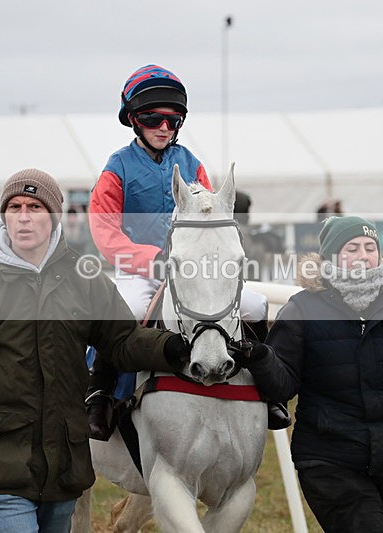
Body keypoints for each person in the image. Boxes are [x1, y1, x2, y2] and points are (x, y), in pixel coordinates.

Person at [0, 168, 193, 529]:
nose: (23, 217)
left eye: (34, 207)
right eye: (14, 207)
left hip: (62, 469)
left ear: (53, 217)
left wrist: (172, 348)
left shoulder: (85, 280)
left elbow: (123, 341)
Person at [233, 216, 383, 532]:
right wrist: (263, 357)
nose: (363, 255)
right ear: (332, 257)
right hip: (328, 459)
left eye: (370, 247)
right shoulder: (301, 310)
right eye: (352, 248)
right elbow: (281, 387)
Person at [87, 64, 279, 437]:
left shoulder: (193, 164)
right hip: (137, 270)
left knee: (254, 305)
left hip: (194, 270)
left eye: (173, 121)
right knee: (127, 311)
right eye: (152, 118)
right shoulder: (117, 168)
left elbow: (213, 217)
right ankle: (100, 393)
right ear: (132, 119)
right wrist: (149, 260)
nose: (164, 127)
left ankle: (268, 389)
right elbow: (104, 230)